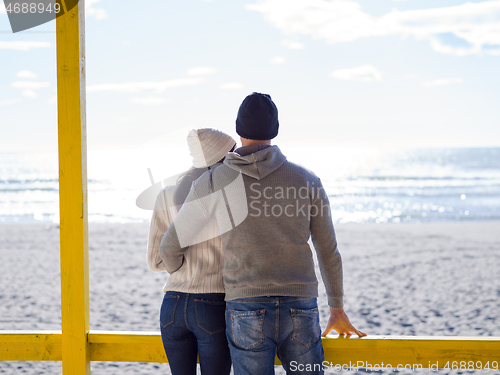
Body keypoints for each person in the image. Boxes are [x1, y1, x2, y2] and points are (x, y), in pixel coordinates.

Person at [160, 93, 366, 375]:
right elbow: (328, 251)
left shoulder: (215, 180)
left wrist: (179, 272)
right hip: (301, 307)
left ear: (238, 130)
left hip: (244, 308)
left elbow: (169, 247)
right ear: (275, 130)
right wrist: (337, 308)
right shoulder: (307, 180)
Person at [147, 128, 236, 375]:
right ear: (223, 157)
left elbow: (155, 261)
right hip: (213, 304)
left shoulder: (165, 195)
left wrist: (180, 266)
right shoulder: (230, 196)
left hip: (171, 305)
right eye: (233, 152)